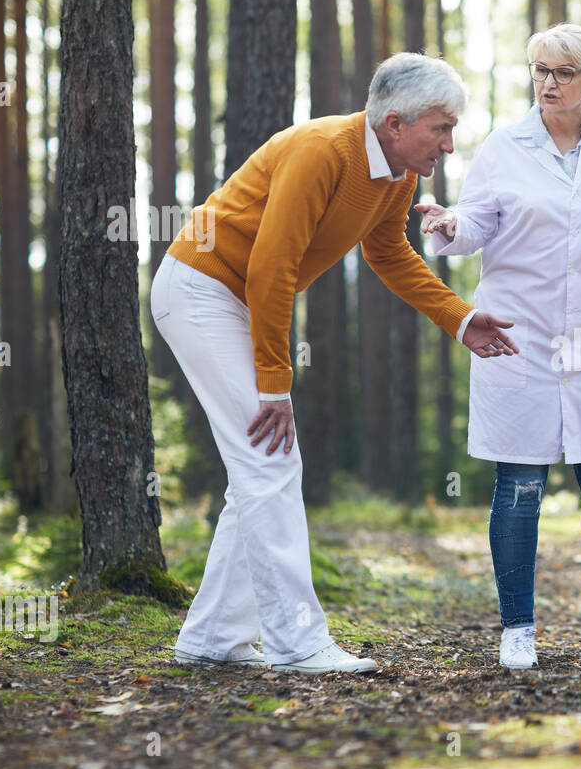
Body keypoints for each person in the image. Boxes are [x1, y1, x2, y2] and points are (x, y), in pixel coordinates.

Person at [152, 53, 518, 674]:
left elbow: (390, 256)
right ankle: (299, 642)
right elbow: (272, 264)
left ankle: (212, 635)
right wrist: (275, 384)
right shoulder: (324, 149)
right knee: (270, 461)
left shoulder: (399, 175)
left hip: (237, 299)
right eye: (442, 128)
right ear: (395, 123)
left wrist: (459, 317)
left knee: (261, 470)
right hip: (200, 290)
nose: (450, 146)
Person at [416, 24, 581, 670]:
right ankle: (518, 630)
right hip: (519, 335)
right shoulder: (502, 149)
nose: (549, 82)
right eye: (540, 69)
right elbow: (474, 226)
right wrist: (450, 225)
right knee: (519, 483)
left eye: (564, 72)